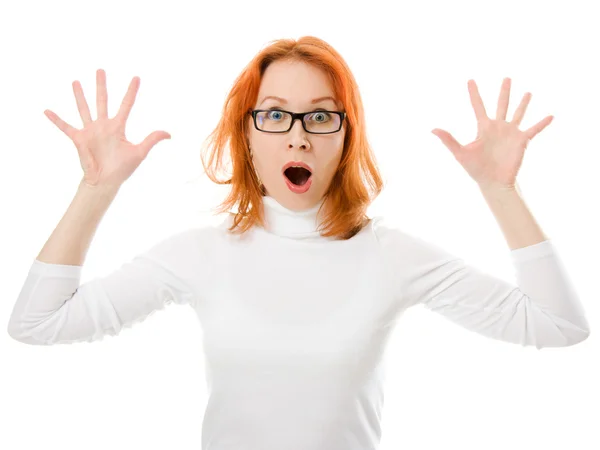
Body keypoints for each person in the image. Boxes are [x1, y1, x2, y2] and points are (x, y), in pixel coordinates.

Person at [6, 36, 590, 450]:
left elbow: (559, 326)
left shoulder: (392, 255)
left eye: (320, 117)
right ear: (248, 136)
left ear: (345, 137)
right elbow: (37, 323)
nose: (298, 138)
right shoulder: (201, 254)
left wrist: (500, 191)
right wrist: (95, 190)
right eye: (276, 116)